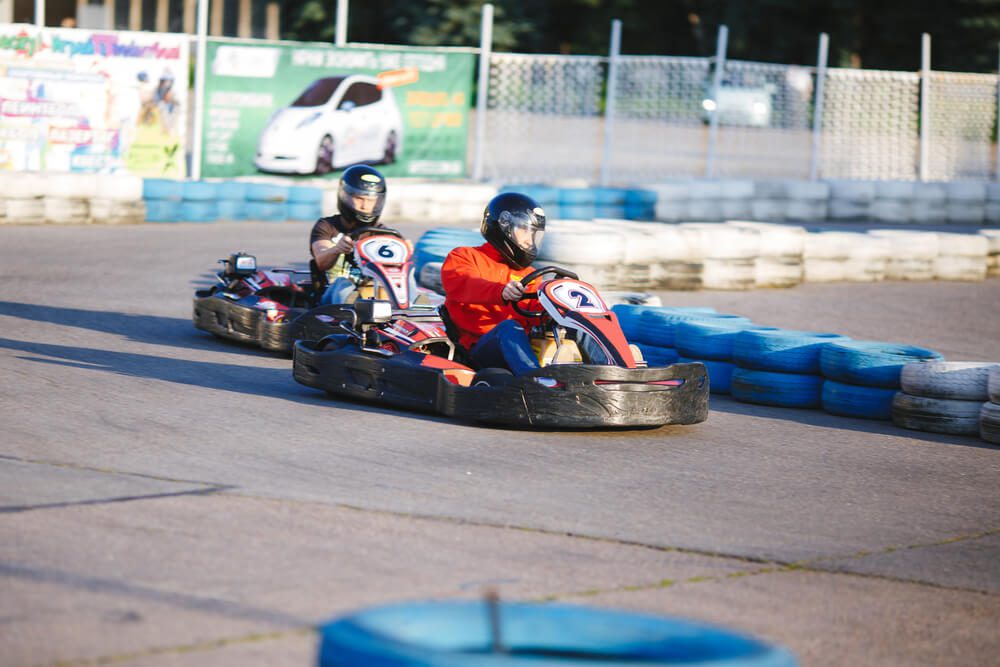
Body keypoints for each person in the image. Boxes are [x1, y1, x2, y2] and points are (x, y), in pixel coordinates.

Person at [440, 192, 547, 375]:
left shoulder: (531, 275)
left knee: (581, 321)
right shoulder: (464, 257)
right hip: (478, 349)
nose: (530, 239)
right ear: (504, 226)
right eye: (525, 230)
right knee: (509, 328)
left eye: (533, 233)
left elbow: (535, 312)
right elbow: (465, 284)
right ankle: (537, 383)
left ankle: (607, 376)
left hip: (522, 347)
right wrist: (501, 292)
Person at [310, 164, 387, 304]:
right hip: (330, 296)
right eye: (359, 199)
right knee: (343, 283)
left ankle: (414, 308)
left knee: (404, 279)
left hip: (370, 294)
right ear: (344, 196)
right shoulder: (327, 226)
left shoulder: (383, 233)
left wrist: (403, 253)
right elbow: (321, 261)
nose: (365, 206)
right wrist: (337, 249)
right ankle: (350, 305)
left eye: (371, 201)